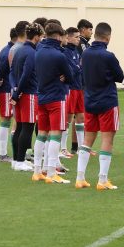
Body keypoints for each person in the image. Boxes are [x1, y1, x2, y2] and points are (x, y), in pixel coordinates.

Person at [77, 22, 124, 191]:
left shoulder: (85, 54)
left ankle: (80, 177)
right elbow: (120, 76)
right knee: (107, 139)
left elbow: (81, 75)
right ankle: (102, 179)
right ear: (108, 37)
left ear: (95, 34)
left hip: (89, 101)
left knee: (87, 140)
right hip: (107, 101)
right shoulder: (108, 56)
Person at [32, 22, 73, 184]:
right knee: (55, 135)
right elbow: (70, 77)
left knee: (42, 134)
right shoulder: (59, 56)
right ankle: (50, 173)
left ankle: (37, 170)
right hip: (56, 97)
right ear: (58, 36)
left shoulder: (38, 51)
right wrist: (63, 77)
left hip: (41, 97)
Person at [9, 22, 44, 172]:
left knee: (20, 127)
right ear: (36, 37)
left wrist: (15, 89)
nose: (41, 39)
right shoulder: (31, 53)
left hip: (20, 92)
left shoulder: (19, 50)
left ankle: (17, 160)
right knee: (27, 128)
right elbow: (27, 74)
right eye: (41, 37)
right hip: (28, 94)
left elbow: (11, 72)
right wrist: (18, 93)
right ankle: (20, 160)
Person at [0, 27, 17, 163]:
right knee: (6, 120)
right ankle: (3, 154)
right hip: (6, 90)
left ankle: (7, 153)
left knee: (9, 120)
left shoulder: (9, 50)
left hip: (8, 89)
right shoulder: (7, 52)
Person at [61, 27, 84, 157]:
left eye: (79, 37)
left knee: (81, 117)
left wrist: (78, 66)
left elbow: (78, 68)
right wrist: (79, 66)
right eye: (76, 37)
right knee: (67, 118)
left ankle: (82, 148)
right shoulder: (66, 52)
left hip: (79, 87)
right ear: (68, 37)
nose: (78, 39)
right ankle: (63, 148)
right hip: (70, 88)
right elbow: (72, 70)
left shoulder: (76, 51)